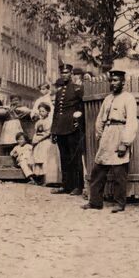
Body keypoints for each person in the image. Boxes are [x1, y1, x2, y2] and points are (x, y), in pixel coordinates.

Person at [84, 70, 138, 212]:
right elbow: (101, 117)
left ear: (123, 82)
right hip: (108, 133)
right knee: (98, 170)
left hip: (120, 132)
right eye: (112, 81)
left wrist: (125, 143)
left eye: (116, 80)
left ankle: (119, 203)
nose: (113, 83)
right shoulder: (108, 99)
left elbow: (132, 122)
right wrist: (100, 134)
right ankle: (95, 202)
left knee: (119, 172)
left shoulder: (128, 98)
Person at [51, 64, 86, 196]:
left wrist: (79, 121)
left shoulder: (78, 89)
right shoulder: (59, 92)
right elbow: (56, 112)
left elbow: (82, 108)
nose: (64, 75)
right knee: (64, 158)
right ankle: (66, 185)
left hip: (72, 128)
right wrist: (54, 130)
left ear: (71, 73)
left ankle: (78, 186)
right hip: (60, 128)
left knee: (75, 158)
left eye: (66, 72)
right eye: (62, 73)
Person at [31, 103, 61, 186]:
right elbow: (36, 132)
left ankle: (48, 179)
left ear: (48, 112)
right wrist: (35, 140)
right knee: (38, 159)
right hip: (38, 142)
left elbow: (48, 133)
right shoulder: (39, 121)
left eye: (43, 111)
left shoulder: (49, 121)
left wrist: (39, 139)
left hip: (46, 142)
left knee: (46, 159)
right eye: (40, 111)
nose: (41, 113)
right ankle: (40, 178)